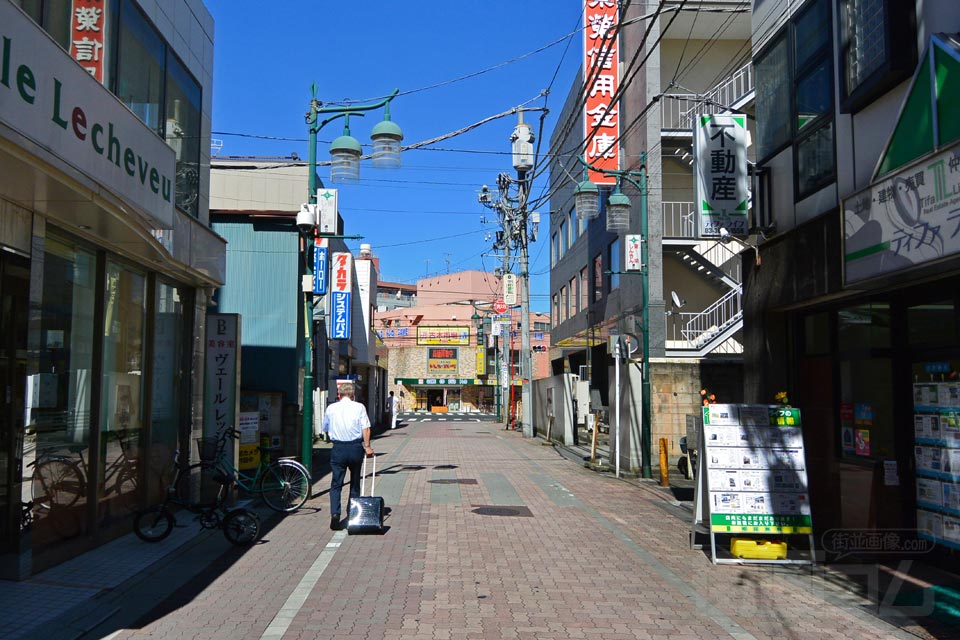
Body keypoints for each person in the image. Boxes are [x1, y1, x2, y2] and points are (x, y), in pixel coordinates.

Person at [321, 383, 374, 530]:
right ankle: (352, 513)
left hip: (338, 447)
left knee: (336, 483)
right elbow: (366, 428)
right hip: (355, 447)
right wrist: (368, 447)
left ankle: (335, 514)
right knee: (355, 481)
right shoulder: (359, 407)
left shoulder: (331, 408)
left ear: (339, 394)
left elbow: (325, 428)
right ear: (352, 395)